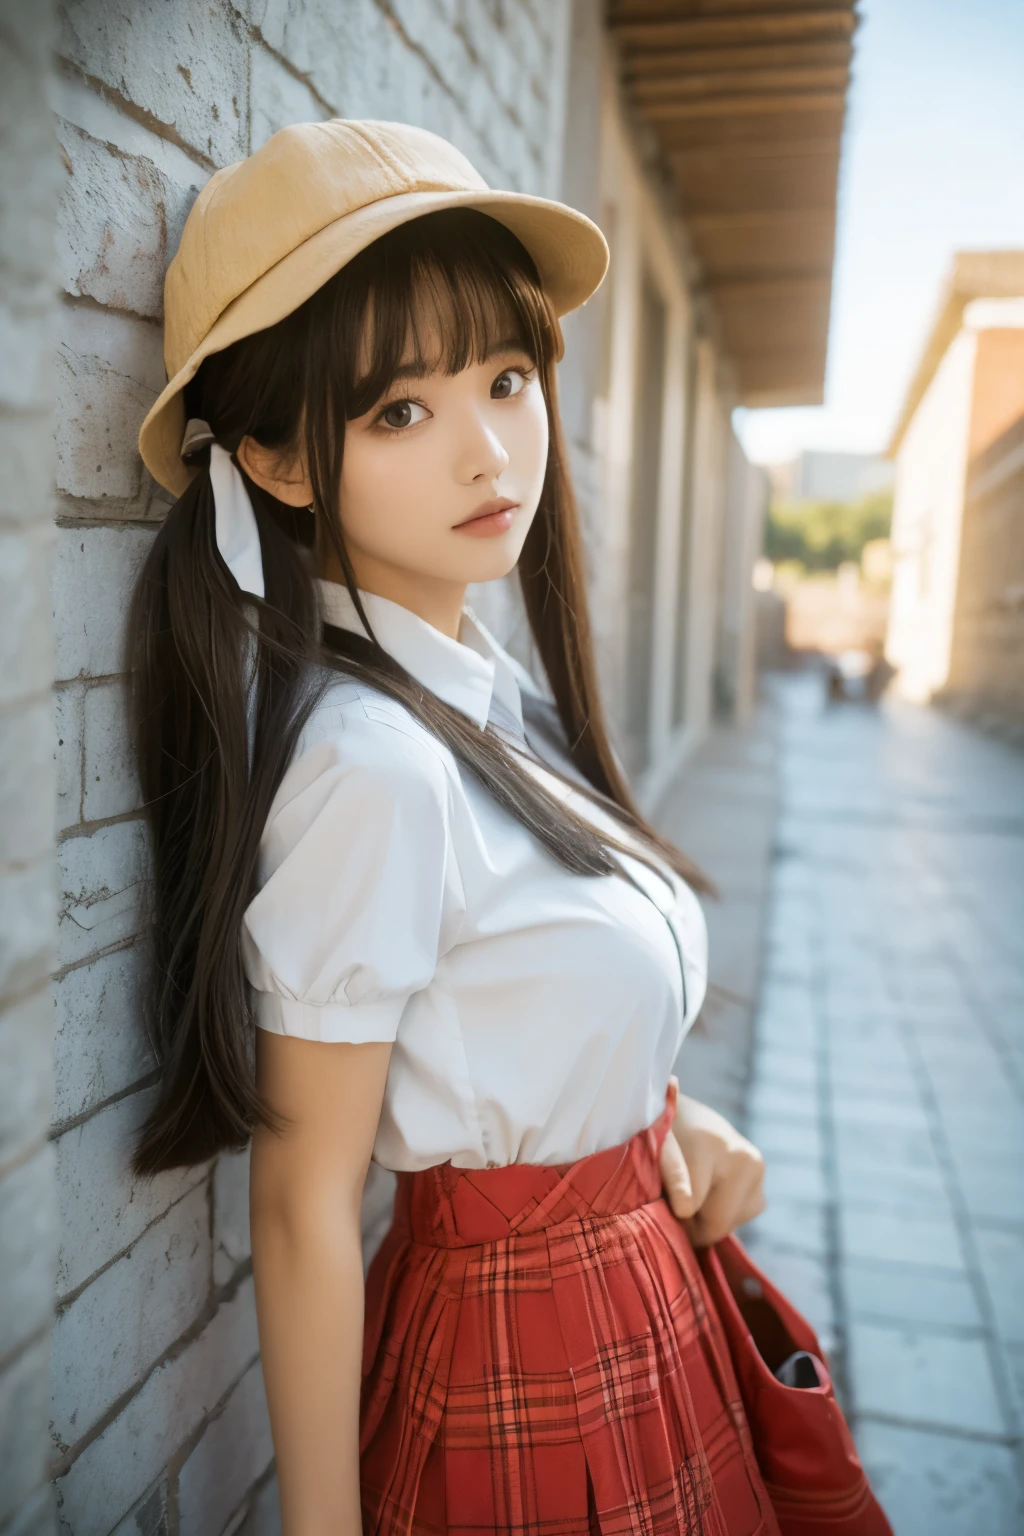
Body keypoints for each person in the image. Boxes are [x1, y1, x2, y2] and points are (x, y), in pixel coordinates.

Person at [130, 120, 773, 1535]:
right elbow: (303, 1203)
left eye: (505, 376)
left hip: (641, 1310)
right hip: (523, 1367)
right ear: (282, 463)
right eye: (401, 412)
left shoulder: (495, 692)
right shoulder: (376, 766)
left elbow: (515, 996)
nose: (494, 450)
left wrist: (660, 1119)